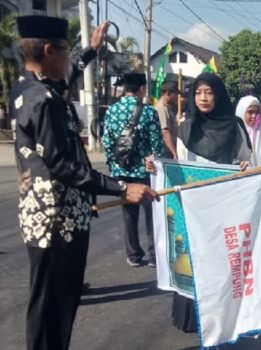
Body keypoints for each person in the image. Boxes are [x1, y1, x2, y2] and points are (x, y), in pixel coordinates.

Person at [11, 16, 157, 350]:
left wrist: (90, 50)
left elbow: (65, 79)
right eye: (65, 52)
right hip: (57, 220)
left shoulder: (26, 88)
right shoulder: (44, 101)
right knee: (55, 306)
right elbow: (63, 165)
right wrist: (121, 187)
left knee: (47, 303)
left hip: (40, 216)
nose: (69, 59)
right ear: (49, 51)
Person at [171, 72, 252, 332]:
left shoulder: (234, 125)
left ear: (218, 95)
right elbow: (179, 166)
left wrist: (244, 166)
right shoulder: (186, 126)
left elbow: (248, 160)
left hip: (225, 204)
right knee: (195, 258)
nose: (203, 98)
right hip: (195, 206)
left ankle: (224, 318)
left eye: (209, 92)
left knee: (221, 260)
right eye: (198, 93)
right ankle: (194, 318)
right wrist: (155, 168)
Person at [102, 72, 165, 267]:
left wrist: (115, 164)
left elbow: (106, 142)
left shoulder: (111, 111)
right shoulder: (148, 112)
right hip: (145, 172)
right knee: (151, 214)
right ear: (141, 89)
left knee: (129, 215)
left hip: (121, 171)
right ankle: (155, 256)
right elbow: (157, 146)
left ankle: (134, 255)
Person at [155, 81, 180, 159]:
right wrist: (174, 153)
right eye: (176, 94)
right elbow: (165, 132)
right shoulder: (162, 108)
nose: (177, 97)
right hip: (166, 151)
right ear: (168, 93)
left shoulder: (169, 107)